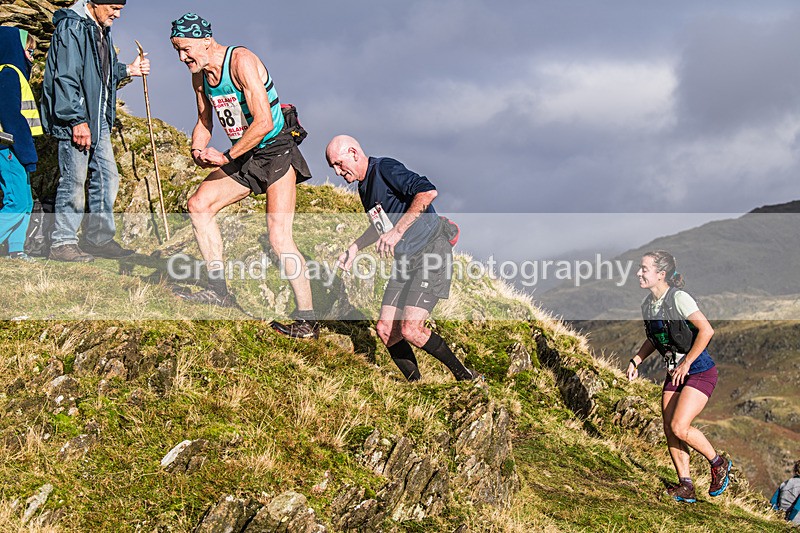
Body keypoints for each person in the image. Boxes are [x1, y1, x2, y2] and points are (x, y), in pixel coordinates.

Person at [169, 13, 317, 339]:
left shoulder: (241, 61)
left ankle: (307, 321)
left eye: (186, 49)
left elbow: (263, 121)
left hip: (276, 151)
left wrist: (225, 156)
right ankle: (218, 288)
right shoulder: (200, 74)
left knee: (279, 237)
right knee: (199, 205)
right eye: (177, 51)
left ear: (207, 41)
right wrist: (197, 150)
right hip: (244, 153)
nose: (183, 57)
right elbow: (204, 121)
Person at [326, 135, 477, 383]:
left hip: (431, 252)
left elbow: (427, 192)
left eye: (339, 163)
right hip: (406, 261)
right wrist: (355, 248)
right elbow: (380, 226)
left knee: (410, 329)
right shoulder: (364, 187)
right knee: (386, 330)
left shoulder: (385, 168)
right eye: (332, 166)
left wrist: (397, 232)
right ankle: (416, 385)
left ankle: (466, 378)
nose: (337, 171)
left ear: (354, 153)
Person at [40, 0, 150, 262]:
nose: (117, 14)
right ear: (95, 2)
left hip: (97, 118)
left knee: (108, 176)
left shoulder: (99, 28)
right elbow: (65, 77)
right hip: (77, 118)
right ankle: (62, 242)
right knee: (74, 179)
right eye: (113, 7)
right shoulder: (72, 26)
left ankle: (98, 239)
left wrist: (130, 70)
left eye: (120, 8)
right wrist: (76, 120)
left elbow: (102, 73)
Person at [626, 250, 731, 503]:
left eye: (644, 268)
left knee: (679, 426)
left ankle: (718, 463)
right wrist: (636, 359)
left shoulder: (679, 298)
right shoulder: (648, 305)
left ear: (661, 274)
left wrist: (687, 362)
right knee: (669, 429)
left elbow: (707, 330)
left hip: (699, 370)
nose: (639, 273)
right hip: (675, 372)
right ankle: (686, 486)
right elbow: (655, 338)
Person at [0, 27, 41, 263]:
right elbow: (12, 118)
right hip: (10, 149)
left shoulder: (12, 73)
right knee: (16, 201)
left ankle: (16, 250)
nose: (32, 57)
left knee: (24, 202)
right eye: (29, 51)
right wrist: (26, 153)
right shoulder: (8, 73)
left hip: (16, 149)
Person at [771, 460, 800, 524]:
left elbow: (773, 501)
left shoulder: (784, 483)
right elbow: (797, 508)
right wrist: (789, 520)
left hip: (780, 518)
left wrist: (778, 514)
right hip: (795, 522)